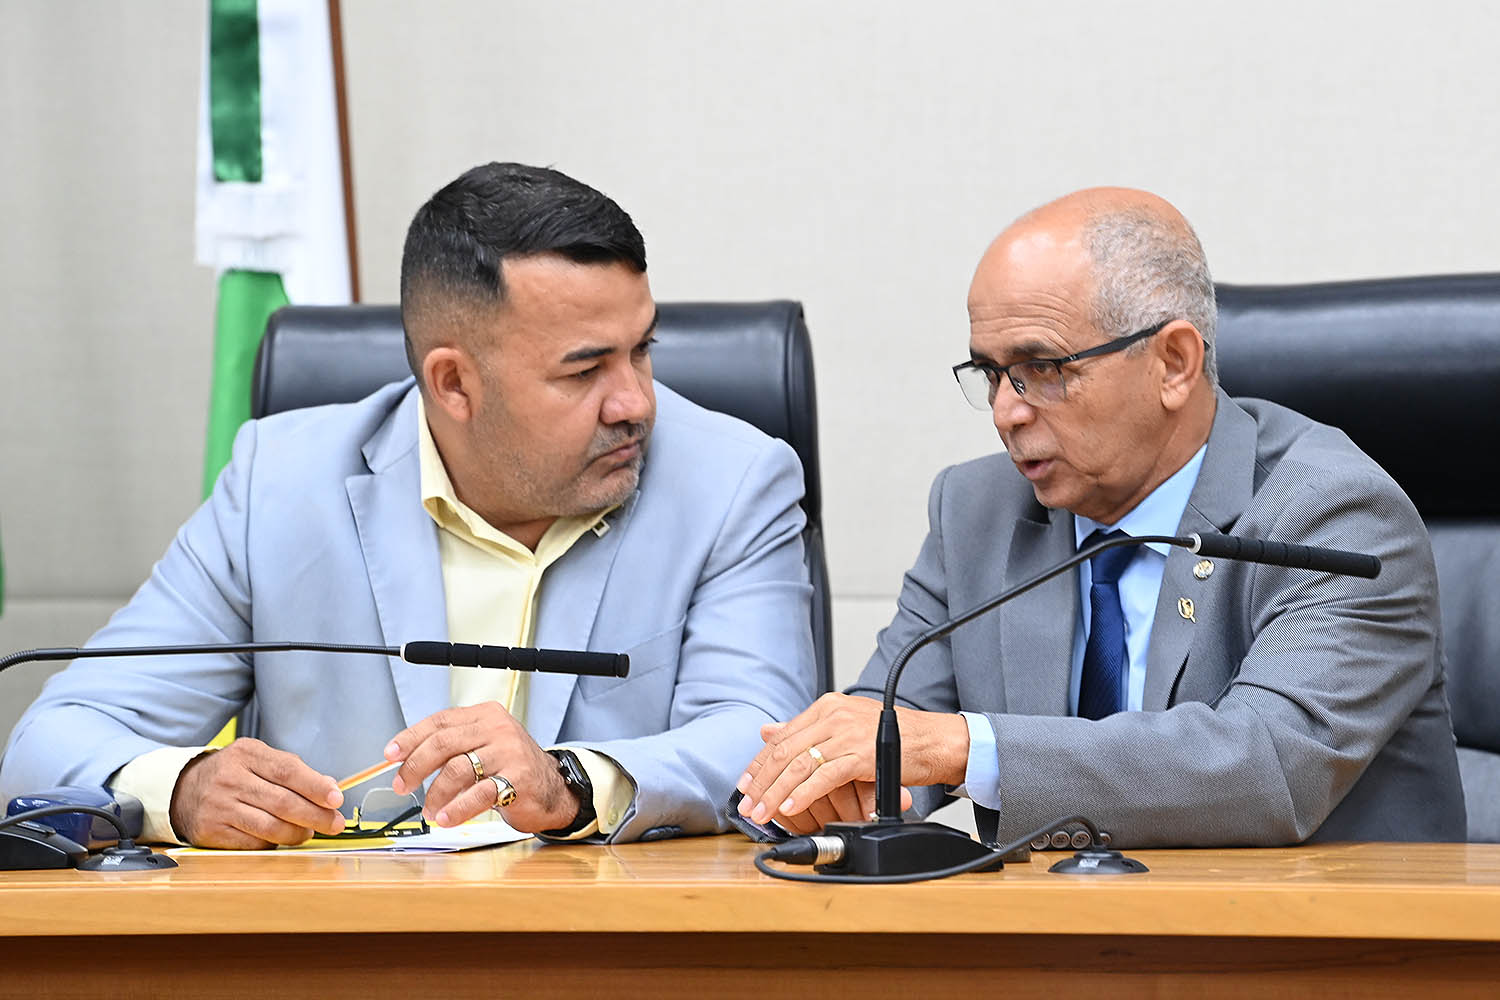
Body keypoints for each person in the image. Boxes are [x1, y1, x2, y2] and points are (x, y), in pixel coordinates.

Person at [1, 162, 816, 848]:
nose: (635, 401)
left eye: (642, 349)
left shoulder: (732, 482)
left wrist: (570, 781)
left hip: (608, 941)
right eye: (584, 370)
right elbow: (50, 742)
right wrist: (178, 789)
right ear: (453, 383)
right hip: (348, 946)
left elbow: (763, 741)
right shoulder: (280, 485)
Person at [736, 187, 1466, 847]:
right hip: (1053, 938)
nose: (1006, 411)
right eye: (990, 373)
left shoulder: (1335, 515)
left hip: (1314, 937)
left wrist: (966, 748)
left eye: (1043, 369)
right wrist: (835, 784)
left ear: (1174, 363)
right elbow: (891, 725)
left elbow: (1271, 766)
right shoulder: (975, 511)